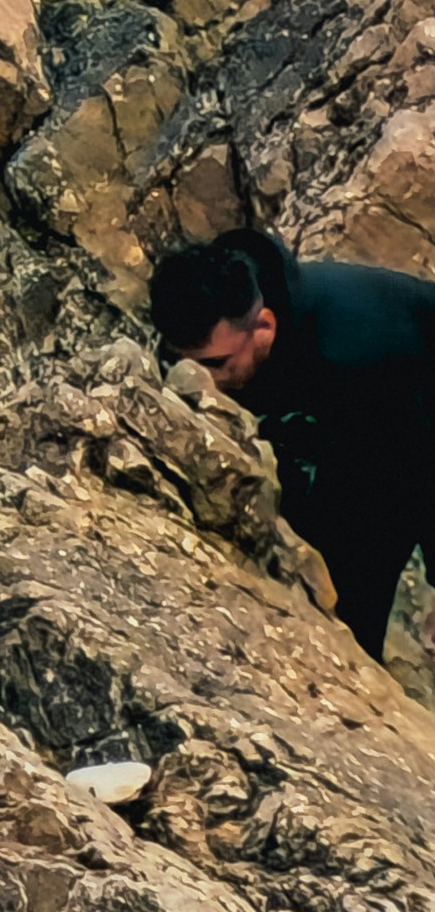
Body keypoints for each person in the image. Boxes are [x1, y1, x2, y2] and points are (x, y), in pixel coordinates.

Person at [151, 228, 435, 672]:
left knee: (355, 576)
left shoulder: (355, 352)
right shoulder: (212, 315)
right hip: (352, 416)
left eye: (215, 366)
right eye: (181, 361)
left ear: (264, 327)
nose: (200, 379)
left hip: (410, 409)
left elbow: (412, 480)